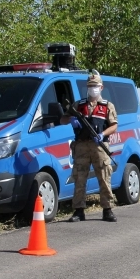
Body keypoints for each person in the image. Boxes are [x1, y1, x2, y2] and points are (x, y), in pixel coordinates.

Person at [61, 73, 118, 222]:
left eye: (96, 86)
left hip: (99, 145)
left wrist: (102, 134)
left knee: (104, 177)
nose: (93, 89)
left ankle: (107, 210)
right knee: (80, 177)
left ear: (101, 87)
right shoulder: (78, 105)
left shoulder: (107, 106)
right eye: (90, 86)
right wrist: (71, 119)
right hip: (81, 146)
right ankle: (79, 210)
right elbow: (62, 120)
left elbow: (114, 126)